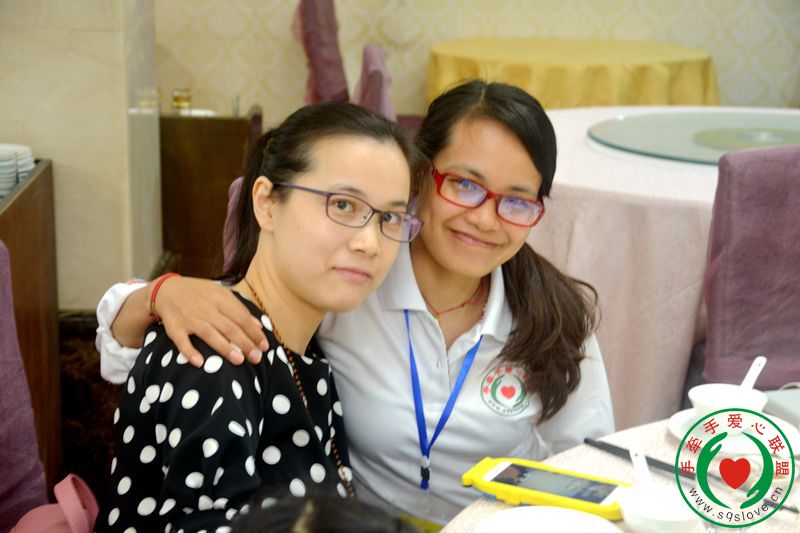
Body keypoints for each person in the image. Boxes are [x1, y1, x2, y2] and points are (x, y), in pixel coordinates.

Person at [96, 81, 614, 525]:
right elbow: (159, 345)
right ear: (422, 181)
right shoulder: (341, 294)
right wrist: (158, 293)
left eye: (516, 201)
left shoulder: (551, 314)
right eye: (464, 185)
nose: (484, 217)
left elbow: (592, 464)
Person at [100, 101, 422, 532]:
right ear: (267, 203)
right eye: (344, 205)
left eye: (390, 217)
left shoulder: (300, 344)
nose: (369, 242)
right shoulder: (218, 348)